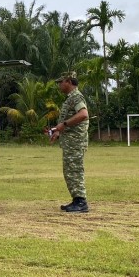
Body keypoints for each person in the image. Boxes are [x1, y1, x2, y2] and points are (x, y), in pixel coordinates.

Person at [49, 72, 90, 213]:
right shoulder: (70, 98)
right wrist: (58, 131)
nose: (59, 85)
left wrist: (64, 124)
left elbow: (84, 114)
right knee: (69, 171)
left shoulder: (76, 97)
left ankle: (81, 202)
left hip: (76, 142)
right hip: (70, 142)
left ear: (69, 81)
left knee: (74, 171)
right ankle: (76, 200)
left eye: (61, 82)